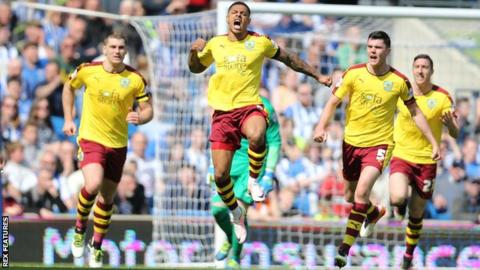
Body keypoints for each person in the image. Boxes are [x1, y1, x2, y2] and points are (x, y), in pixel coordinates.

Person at [188, 1, 331, 244]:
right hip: (222, 114)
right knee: (221, 176)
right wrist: (193, 51)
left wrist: (316, 75)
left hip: (249, 107)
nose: (239, 16)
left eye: (244, 14)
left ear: (248, 20)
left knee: (257, 134)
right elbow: (195, 69)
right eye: (235, 13)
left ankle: (254, 180)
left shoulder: (260, 42)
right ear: (228, 18)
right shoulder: (215, 44)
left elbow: (289, 59)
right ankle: (236, 212)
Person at [313, 31, 440, 268]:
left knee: (361, 194)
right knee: (350, 197)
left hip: (380, 145)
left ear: (387, 51)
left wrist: (433, 142)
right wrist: (321, 127)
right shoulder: (353, 73)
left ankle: (344, 250)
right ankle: (373, 212)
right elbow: (332, 103)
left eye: (378, 47)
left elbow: (415, 112)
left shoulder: (400, 81)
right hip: (351, 143)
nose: (373, 51)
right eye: (370, 46)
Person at [62, 32, 153, 268]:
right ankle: (80, 229)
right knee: (92, 184)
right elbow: (68, 88)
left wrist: (141, 118)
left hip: (118, 144)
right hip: (91, 138)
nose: (117, 51)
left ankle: (97, 245)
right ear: (104, 49)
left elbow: (148, 109)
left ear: (125, 50)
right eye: (112, 46)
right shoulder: (87, 70)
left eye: (121, 47)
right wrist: (68, 119)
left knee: (107, 197)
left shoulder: (135, 78)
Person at [389, 54, 458, 270]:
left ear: (431, 71)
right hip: (401, 154)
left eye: (425, 67)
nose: (420, 71)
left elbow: (455, 132)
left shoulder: (442, 97)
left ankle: (408, 256)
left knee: (417, 212)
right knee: (398, 196)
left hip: (427, 160)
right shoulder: (402, 92)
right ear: (412, 69)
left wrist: (451, 125)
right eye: (417, 66)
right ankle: (398, 207)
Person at [209, 96, 281, 269]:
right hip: (228, 162)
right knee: (218, 210)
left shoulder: (266, 108)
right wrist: (212, 166)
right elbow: (217, 136)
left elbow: (274, 141)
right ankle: (229, 236)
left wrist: (269, 174)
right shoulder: (225, 102)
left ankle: (235, 258)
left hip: (250, 168)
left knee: (239, 210)